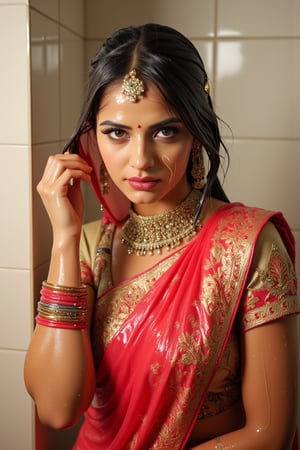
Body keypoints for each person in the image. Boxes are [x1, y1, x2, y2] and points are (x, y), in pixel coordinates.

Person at [24, 23, 299, 450]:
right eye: (116, 132)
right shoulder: (87, 246)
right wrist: (63, 237)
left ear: (196, 136)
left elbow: (270, 435)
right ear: (91, 139)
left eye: (165, 131)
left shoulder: (249, 246)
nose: (141, 160)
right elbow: (58, 409)